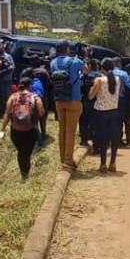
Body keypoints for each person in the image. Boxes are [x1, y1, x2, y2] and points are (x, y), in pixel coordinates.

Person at [49, 41, 85, 170]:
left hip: (59, 99)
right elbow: (85, 69)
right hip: (73, 99)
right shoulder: (75, 61)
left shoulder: (53, 63)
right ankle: (68, 160)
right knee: (71, 131)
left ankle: (62, 158)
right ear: (68, 49)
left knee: (62, 130)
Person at [2, 74, 46, 179]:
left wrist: (2, 129)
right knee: (26, 153)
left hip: (15, 130)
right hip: (30, 130)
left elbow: (7, 114)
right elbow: (41, 112)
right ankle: (25, 173)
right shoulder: (35, 97)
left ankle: (23, 172)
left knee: (21, 152)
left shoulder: (12, 97)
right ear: (30, 85)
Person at [89, 58, 121, 172]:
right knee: (114, 138)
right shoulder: (117, 79)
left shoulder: (99, 80)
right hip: (114, 112)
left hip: (101, 113)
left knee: (103, 138)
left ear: (102, 68)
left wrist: (92, 86)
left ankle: (103, 164)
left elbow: (91, 96)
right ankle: (113, 163)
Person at [114, 62, 130, 146]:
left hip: (120, 101)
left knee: (119, 122)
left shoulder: (121, 77)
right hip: (129, 102)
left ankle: (119, 140)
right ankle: (128, 140)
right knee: (127, 122)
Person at [80, 59, 102, 148]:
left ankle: (83, 140)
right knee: (95, 122)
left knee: (84, 121)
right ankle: (94, 140)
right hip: (96, 102)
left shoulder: (84, 76)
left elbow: (81, 88)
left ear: (89, 66)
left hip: (85, 101)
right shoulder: (100, 76)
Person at [0, 41, 15, 119]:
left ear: (4, 47)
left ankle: (5, 113)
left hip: (6, 80)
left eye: (0, 45)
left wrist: (1, 72)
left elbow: (12, 67)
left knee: (6, 97)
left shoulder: (8, 56)